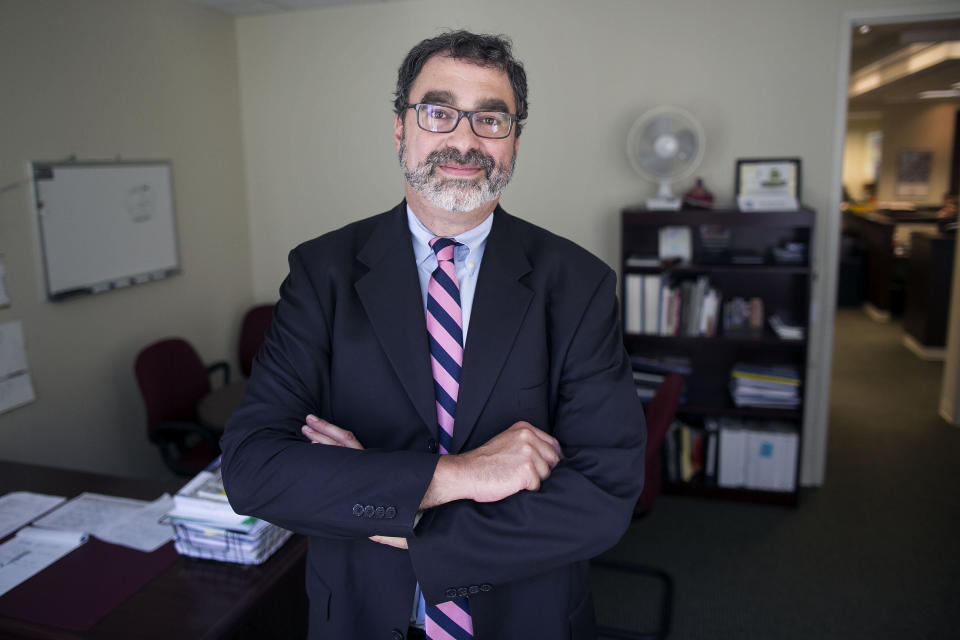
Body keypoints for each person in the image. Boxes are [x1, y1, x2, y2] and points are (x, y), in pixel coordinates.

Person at [221, 30, 645, 640]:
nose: (464, 140)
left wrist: (403, 517)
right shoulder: (323, 273)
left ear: (515, 140)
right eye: (439, 112)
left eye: (491, 119)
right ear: (401, 128)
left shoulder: (577, 284)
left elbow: (602, 496)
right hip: (360, 617)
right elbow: (253, 468)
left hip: (526, 617)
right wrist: (457, 476)